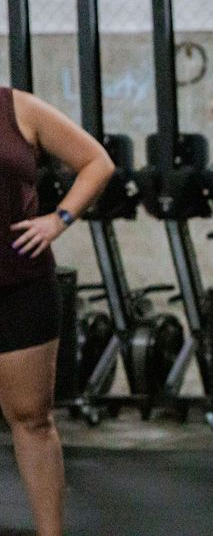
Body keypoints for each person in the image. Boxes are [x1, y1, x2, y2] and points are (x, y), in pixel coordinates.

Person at [1, 87, 114, 536]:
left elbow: (97, 162)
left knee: (32, 418)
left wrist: (59, 218)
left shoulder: (17, 108)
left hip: (21, 284)